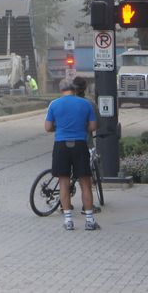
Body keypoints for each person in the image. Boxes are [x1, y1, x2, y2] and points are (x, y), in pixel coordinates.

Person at [44, 78, 98, 231]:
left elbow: (47, 127)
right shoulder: (85, 104)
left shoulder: (54, 104)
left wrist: (60, 127)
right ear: (74, 89)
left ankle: (68, 220)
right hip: (80, 144)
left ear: (61, 90)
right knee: (85, 183)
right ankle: (89, 219)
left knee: (63, 183)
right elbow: (93, 126)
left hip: (61, 145)